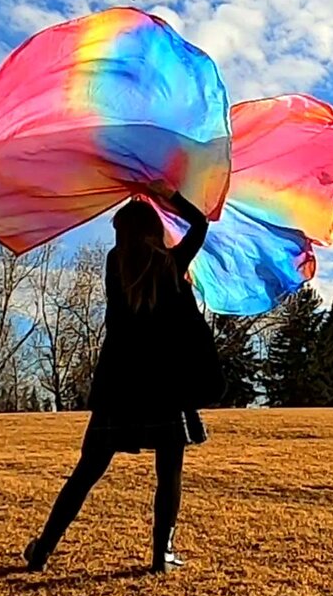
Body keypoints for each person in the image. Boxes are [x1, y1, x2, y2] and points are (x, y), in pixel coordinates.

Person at [23, 181, 224, 575]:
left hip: (120, 388)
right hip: (167, 387)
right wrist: (167, 194)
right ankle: (161, 555)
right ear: (155, 230)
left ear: (122, 235)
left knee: (86, 472)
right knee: (169, 472)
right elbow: (200, 224)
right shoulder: (172, 265)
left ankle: (42, 551)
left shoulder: (115, 266)